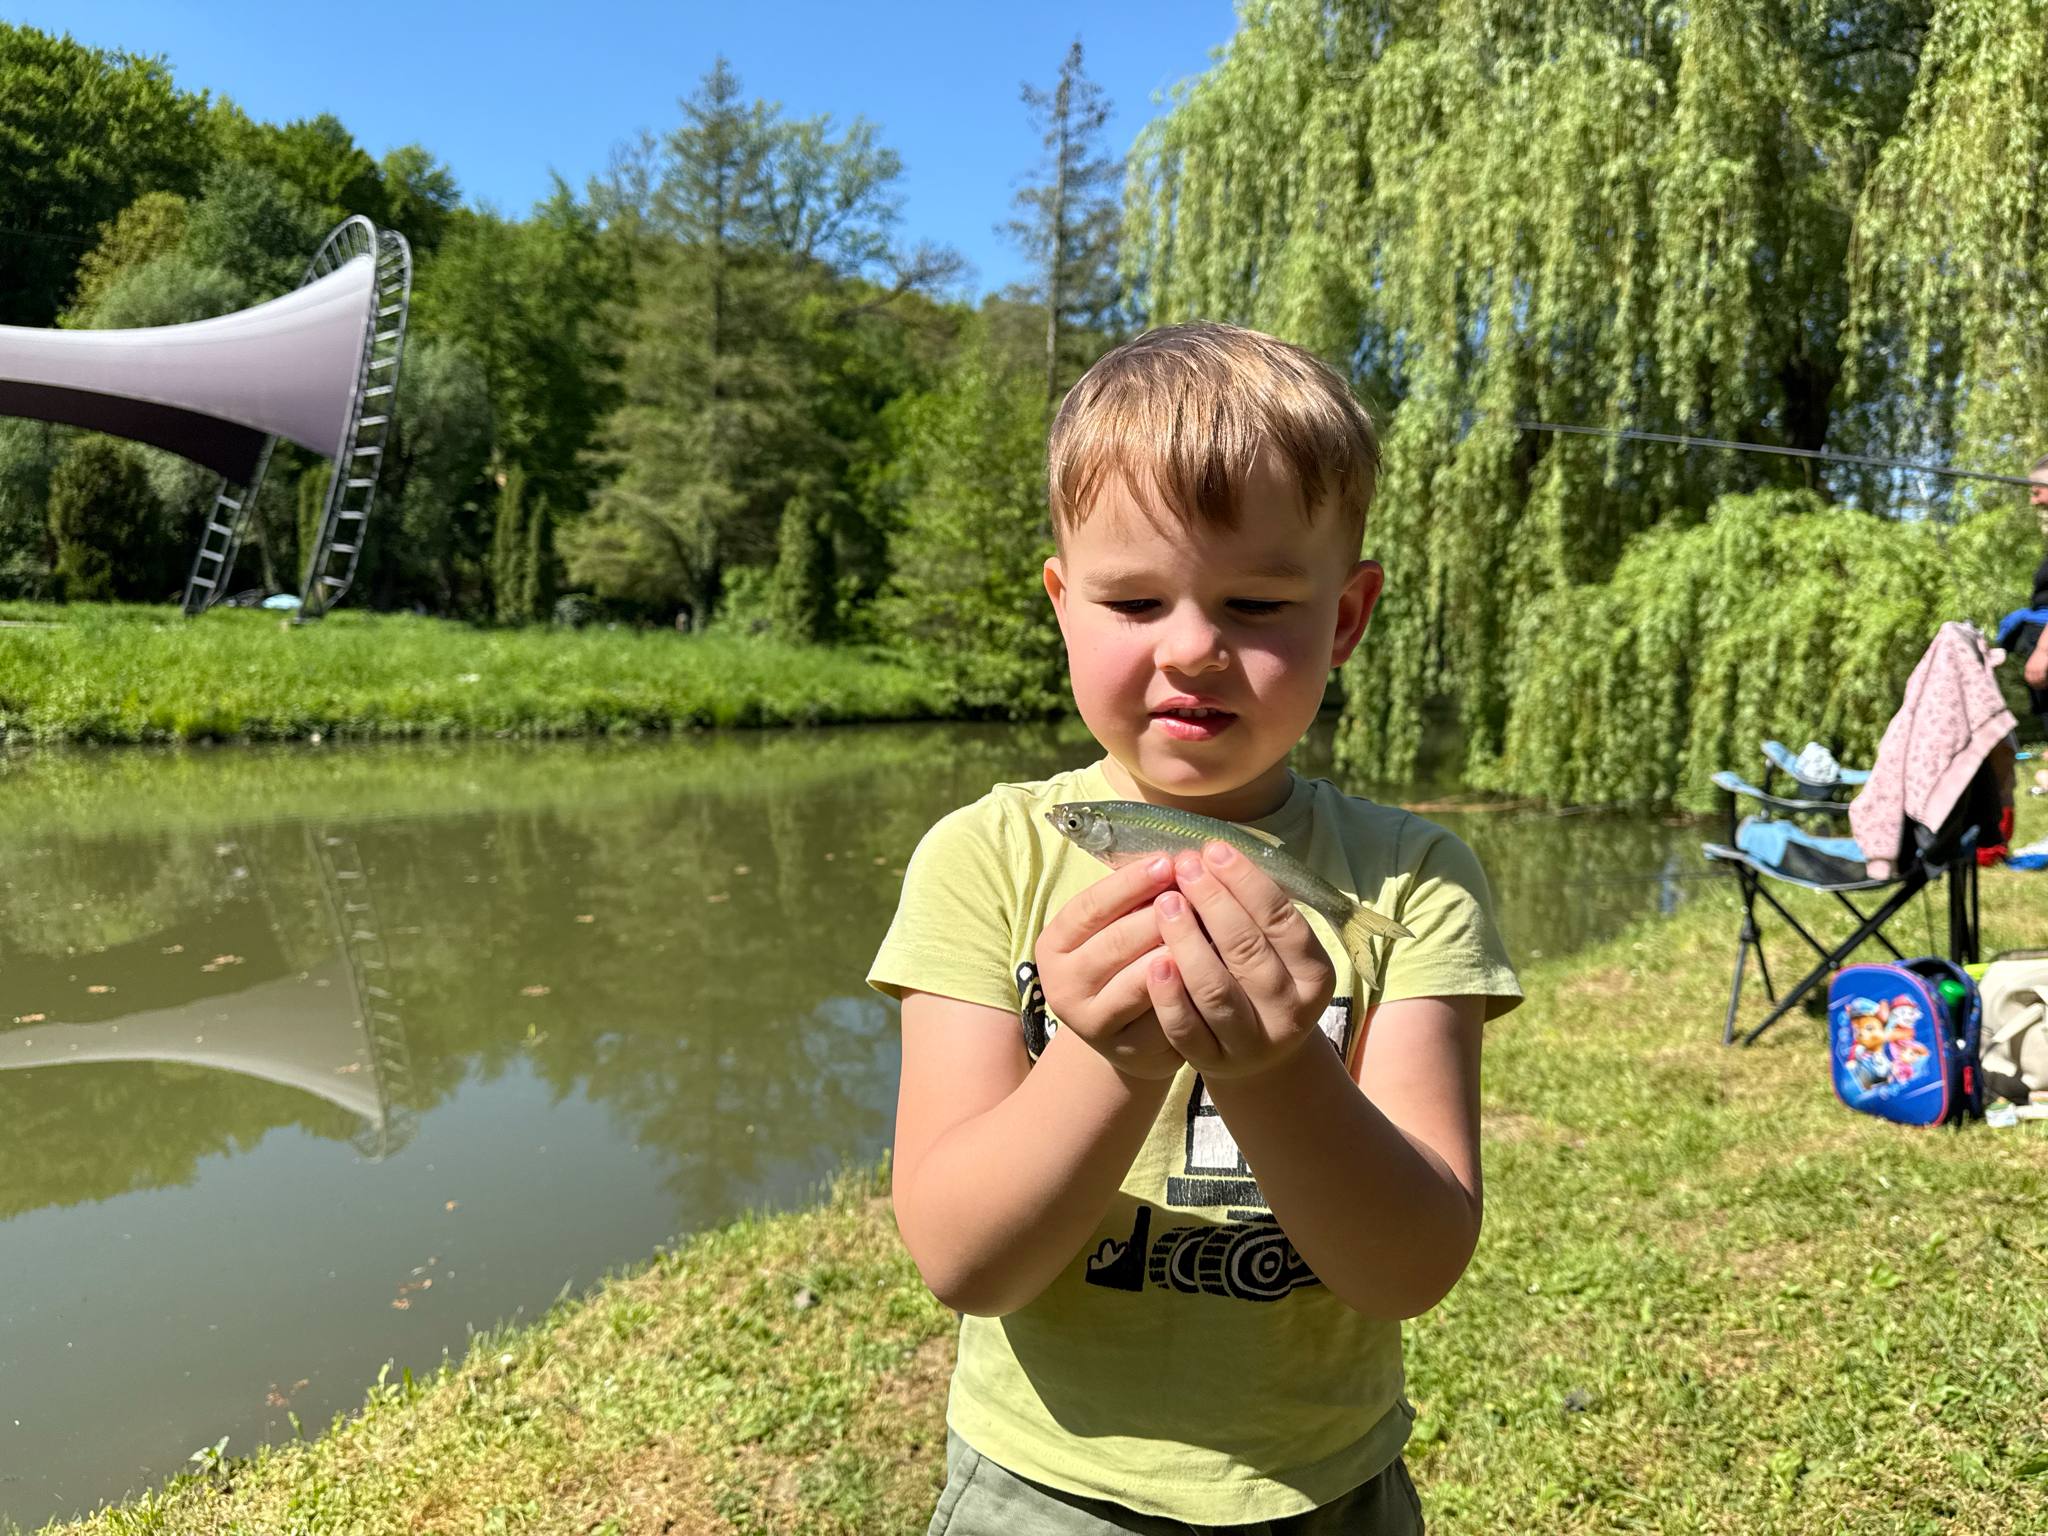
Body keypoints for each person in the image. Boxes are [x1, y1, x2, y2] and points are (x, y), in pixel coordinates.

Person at [867, 321, 1523, 1534]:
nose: (1190, 647)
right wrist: (1104, 1055)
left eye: (1257, 600)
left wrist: (1281, 1070)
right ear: (1062, 606)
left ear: (1343, 618)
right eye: (1131, 599)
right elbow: (961, 1260)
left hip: (1322, 1492)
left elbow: (1409, 1266)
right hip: (1039, 1491)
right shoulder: (982, 860)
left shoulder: (1413, 880)